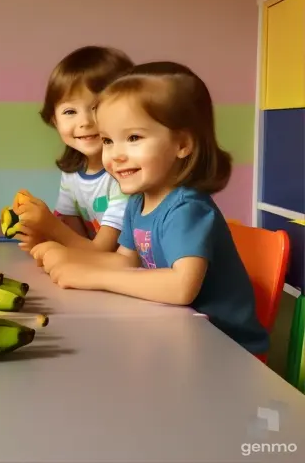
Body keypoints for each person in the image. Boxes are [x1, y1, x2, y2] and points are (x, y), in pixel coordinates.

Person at [32, 61, 269, 355]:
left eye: (133, 138)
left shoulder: (188, 208)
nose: (115, 155)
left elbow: (182, 287)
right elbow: (125, 262)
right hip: (179, 336)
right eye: (108, 140)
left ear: (182, 143)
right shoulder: (138, 202)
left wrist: (93, 276)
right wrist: (73, 263)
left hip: (227, 350)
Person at [14, 46, 133, 252]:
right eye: (70, 111)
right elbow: (73, 237)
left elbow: (102, 251)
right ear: (54, 119)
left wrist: (50, 225)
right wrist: (43, 236)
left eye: (97, 107)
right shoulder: (72, 173)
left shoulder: (124, 174)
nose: (85, 121)